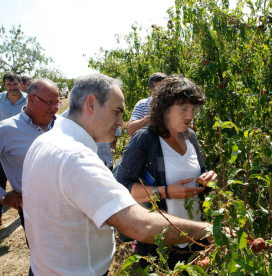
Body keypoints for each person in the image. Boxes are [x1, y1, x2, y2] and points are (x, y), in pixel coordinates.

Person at [22, 73, 212, 276]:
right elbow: (140, 225)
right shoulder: (75, 158)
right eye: (116, 111)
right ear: (91, 104)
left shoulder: (46, 141)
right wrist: (208, 230)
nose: (121, 122)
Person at [115, 75, 217, 270]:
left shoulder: (190, 136)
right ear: (165, 108)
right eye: (183, 108)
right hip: (161, 242)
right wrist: (166, 191)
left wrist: (207, 178)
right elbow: (121, 187)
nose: (190, 116)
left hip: (195, 236)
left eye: (193, 109)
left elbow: (201, 169)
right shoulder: (146, 138)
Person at [0, 79, 60, 228]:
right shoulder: (6, 130)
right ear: (32, 99)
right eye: (50, 103)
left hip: (68, 206)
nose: (54, 109)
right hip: (35, 212)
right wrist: (1, 195)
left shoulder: (62, 124)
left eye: (57, 103)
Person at [0, 72, 28, 226]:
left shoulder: (28, 99)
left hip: (21, 147)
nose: (12, 87)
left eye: (15, 84)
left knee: (24, 180)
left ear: (20, 84)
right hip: (3, 149)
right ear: (4, 85)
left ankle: (25, 212)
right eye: (9, 84)